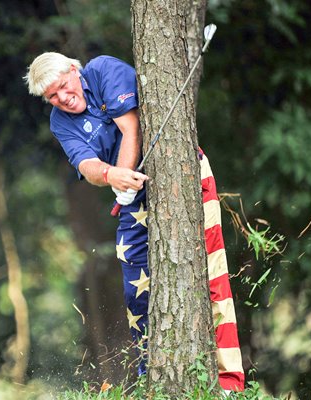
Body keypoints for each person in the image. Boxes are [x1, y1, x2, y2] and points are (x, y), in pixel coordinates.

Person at [24, 52, 245, 393]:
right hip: (132, 195)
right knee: (134, 281)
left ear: (74, 70)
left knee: (207, 269)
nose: (62, 98)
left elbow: (131, 127)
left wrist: (120, 178)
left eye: (63, 87)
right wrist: (113, 176)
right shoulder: (59, 121)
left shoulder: (101, 71)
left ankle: (228, 380)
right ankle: (152, 378)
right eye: (51, 96)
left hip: (178, 175)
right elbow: (86, 166)